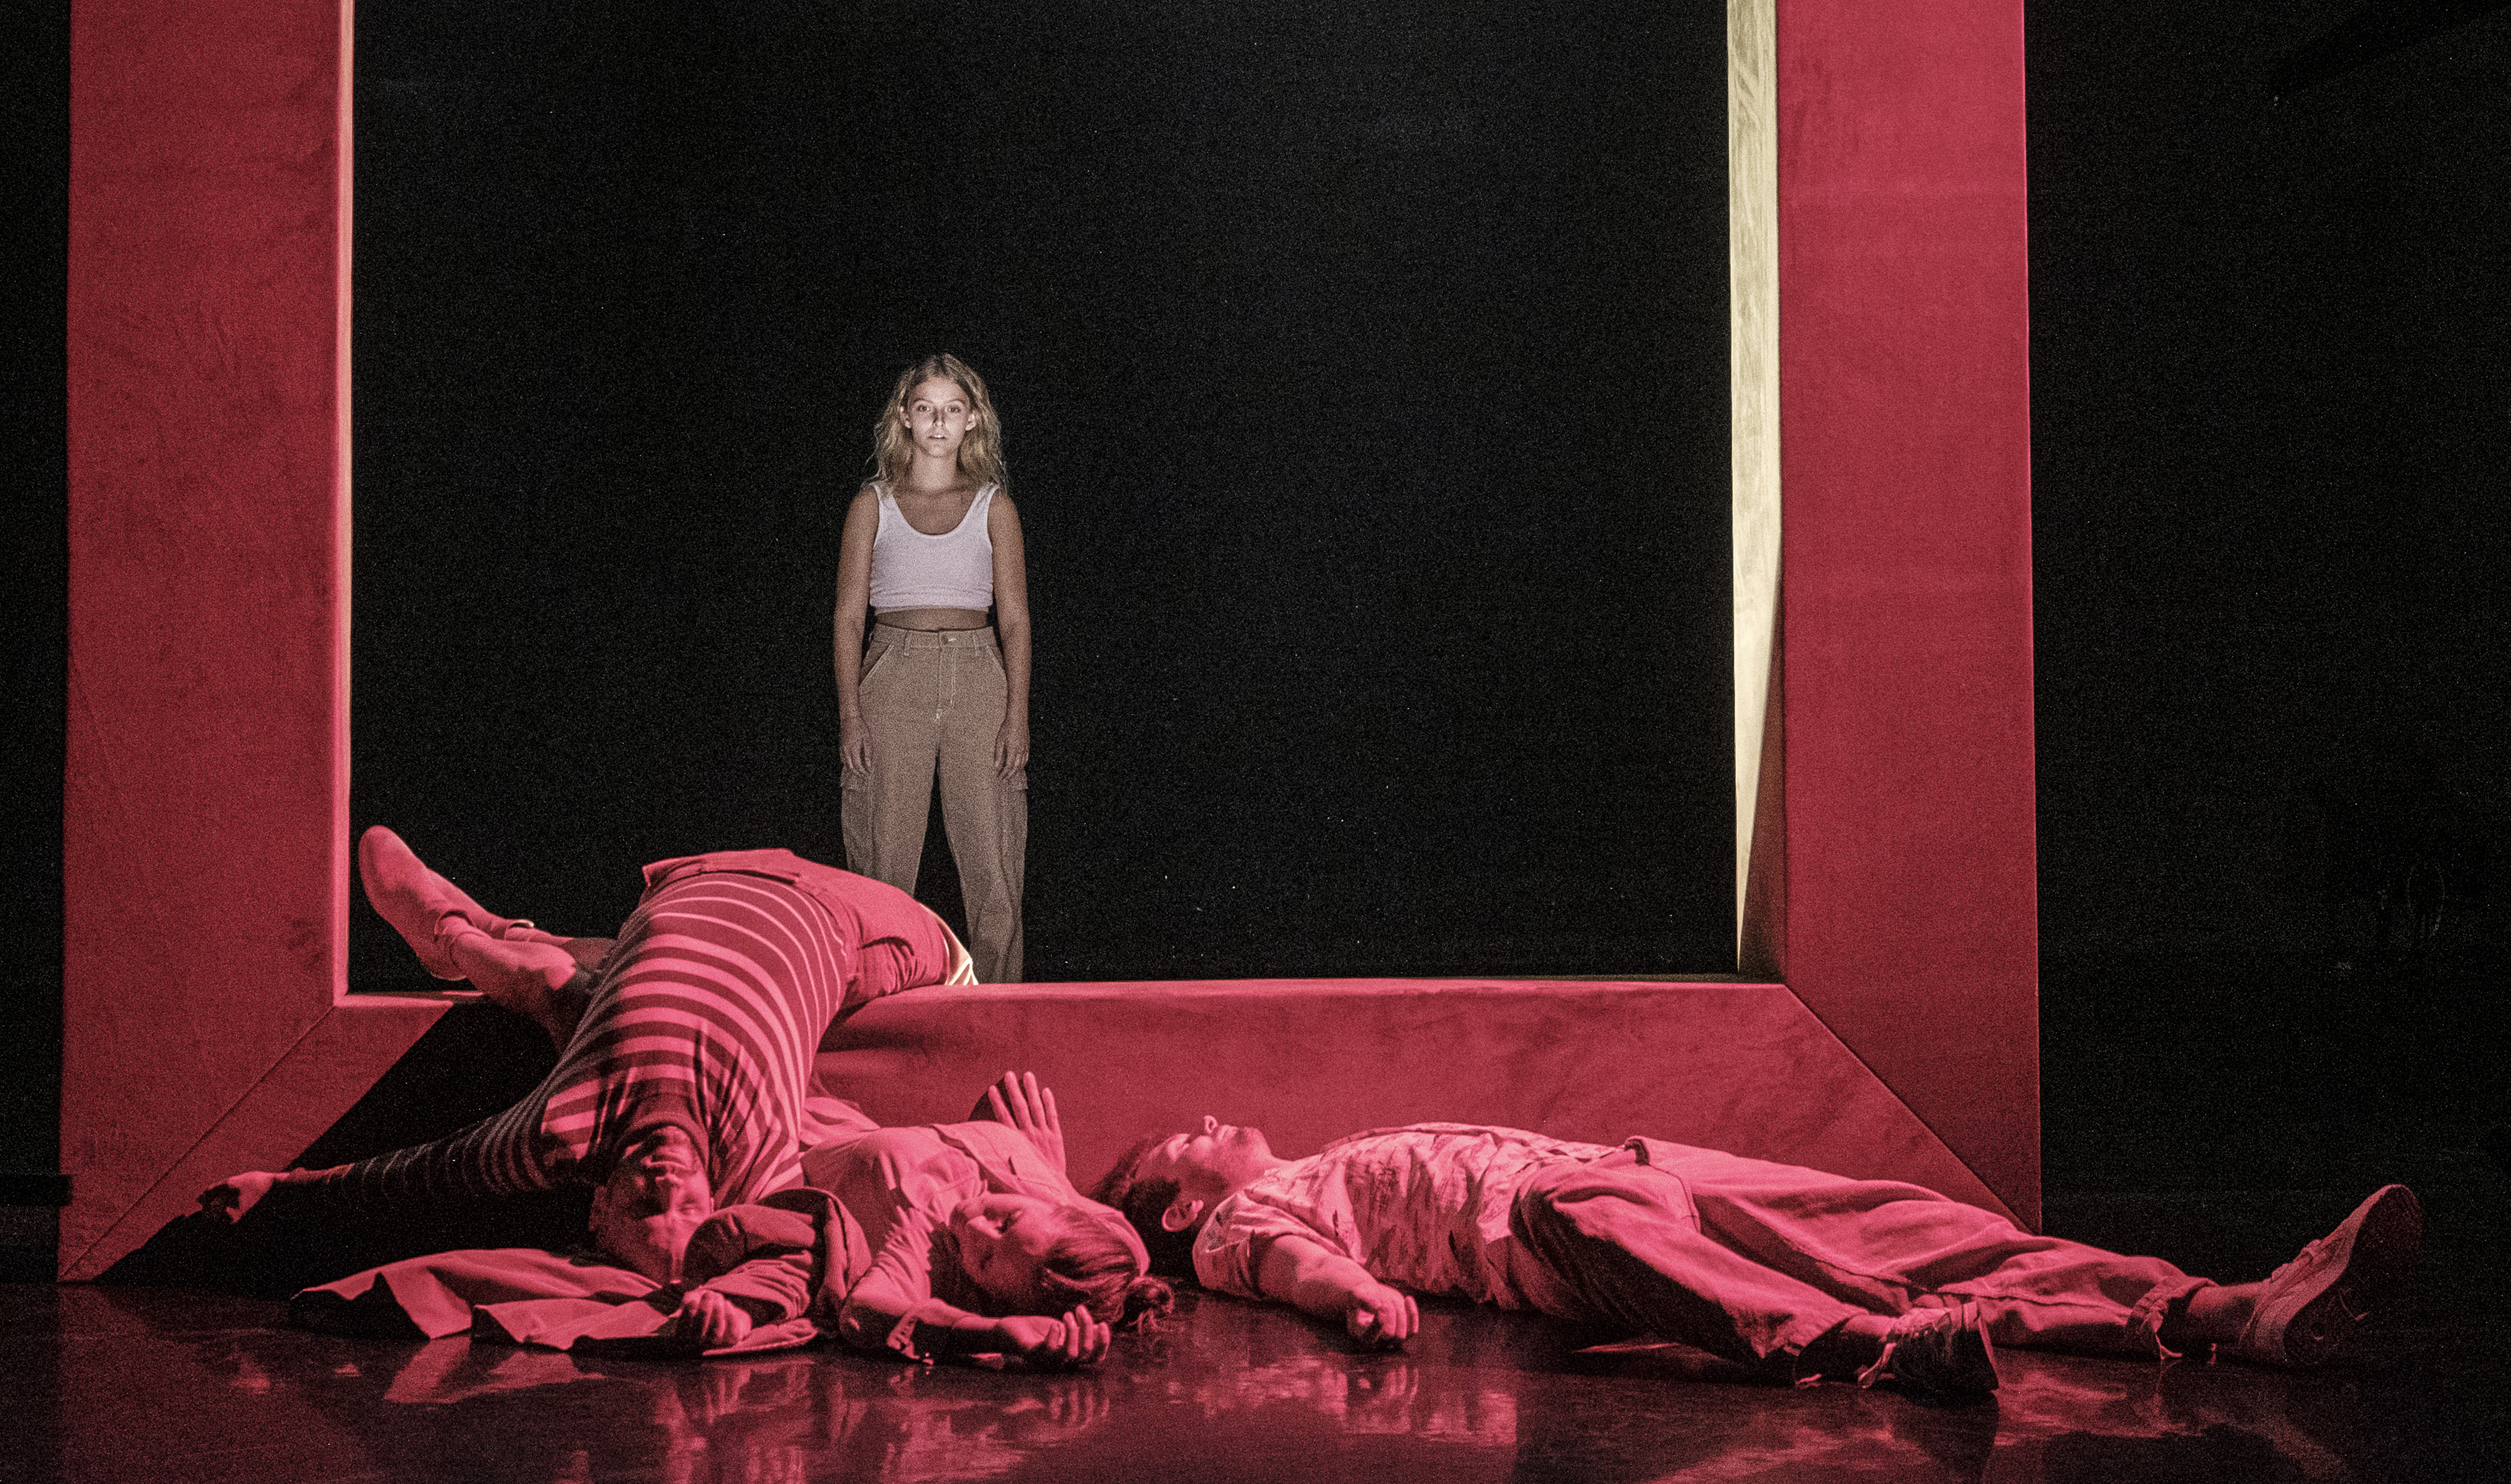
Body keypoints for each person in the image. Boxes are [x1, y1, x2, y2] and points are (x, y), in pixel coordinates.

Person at [1096, 1118, 2423, 1398]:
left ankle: (2225, 1309)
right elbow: (1313, 1280)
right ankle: (1872, 1351)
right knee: (1877, 1297)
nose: (1210, 1119)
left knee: (1916, 1229)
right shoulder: (1238, 1229)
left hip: (1627, 1165)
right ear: (1182, 1209)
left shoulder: (1312, 1159)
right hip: (1551, 1222)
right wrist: (1362, 1303)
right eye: (1183, 1140)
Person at [206, 825, 980, 1286]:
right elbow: (845, 1243)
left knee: (559, 993)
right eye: (689, 1208)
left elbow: (420, 1174)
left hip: (686, 890)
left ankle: (456, 936)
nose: (668, 1185)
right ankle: (496, 937)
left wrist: (284, 1191)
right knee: (586, 993)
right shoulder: (761, 1163)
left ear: (599, 1204)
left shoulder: (557, 1131)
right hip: (857, 919)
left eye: (645, 1206)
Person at [292, 1072, 1172, 1369]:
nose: (975, 1224)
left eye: (981, 1257)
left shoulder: (920, 1225)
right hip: (795, 1096)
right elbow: (1124, 1250)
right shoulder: (1070, 1207)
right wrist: (1047, 1171)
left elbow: (872, 1310)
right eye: (1004, 1219)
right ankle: (492, 943)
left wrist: (1001, 1333)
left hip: (757, 1143)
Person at [834, 353, 1030, 984]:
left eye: (952, 410)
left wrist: (1017, 715)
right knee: (883, 864)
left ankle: (1000, 1006)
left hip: (978, 676)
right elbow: (847, 619)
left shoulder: (994, 507)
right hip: (895, 673)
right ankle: (881, 1006)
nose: (938, 423)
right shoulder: (873, 504)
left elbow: (1015, 621)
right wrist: (851, 715)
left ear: (972, 419)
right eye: (926, 409)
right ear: (905, 416)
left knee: (993, 861)